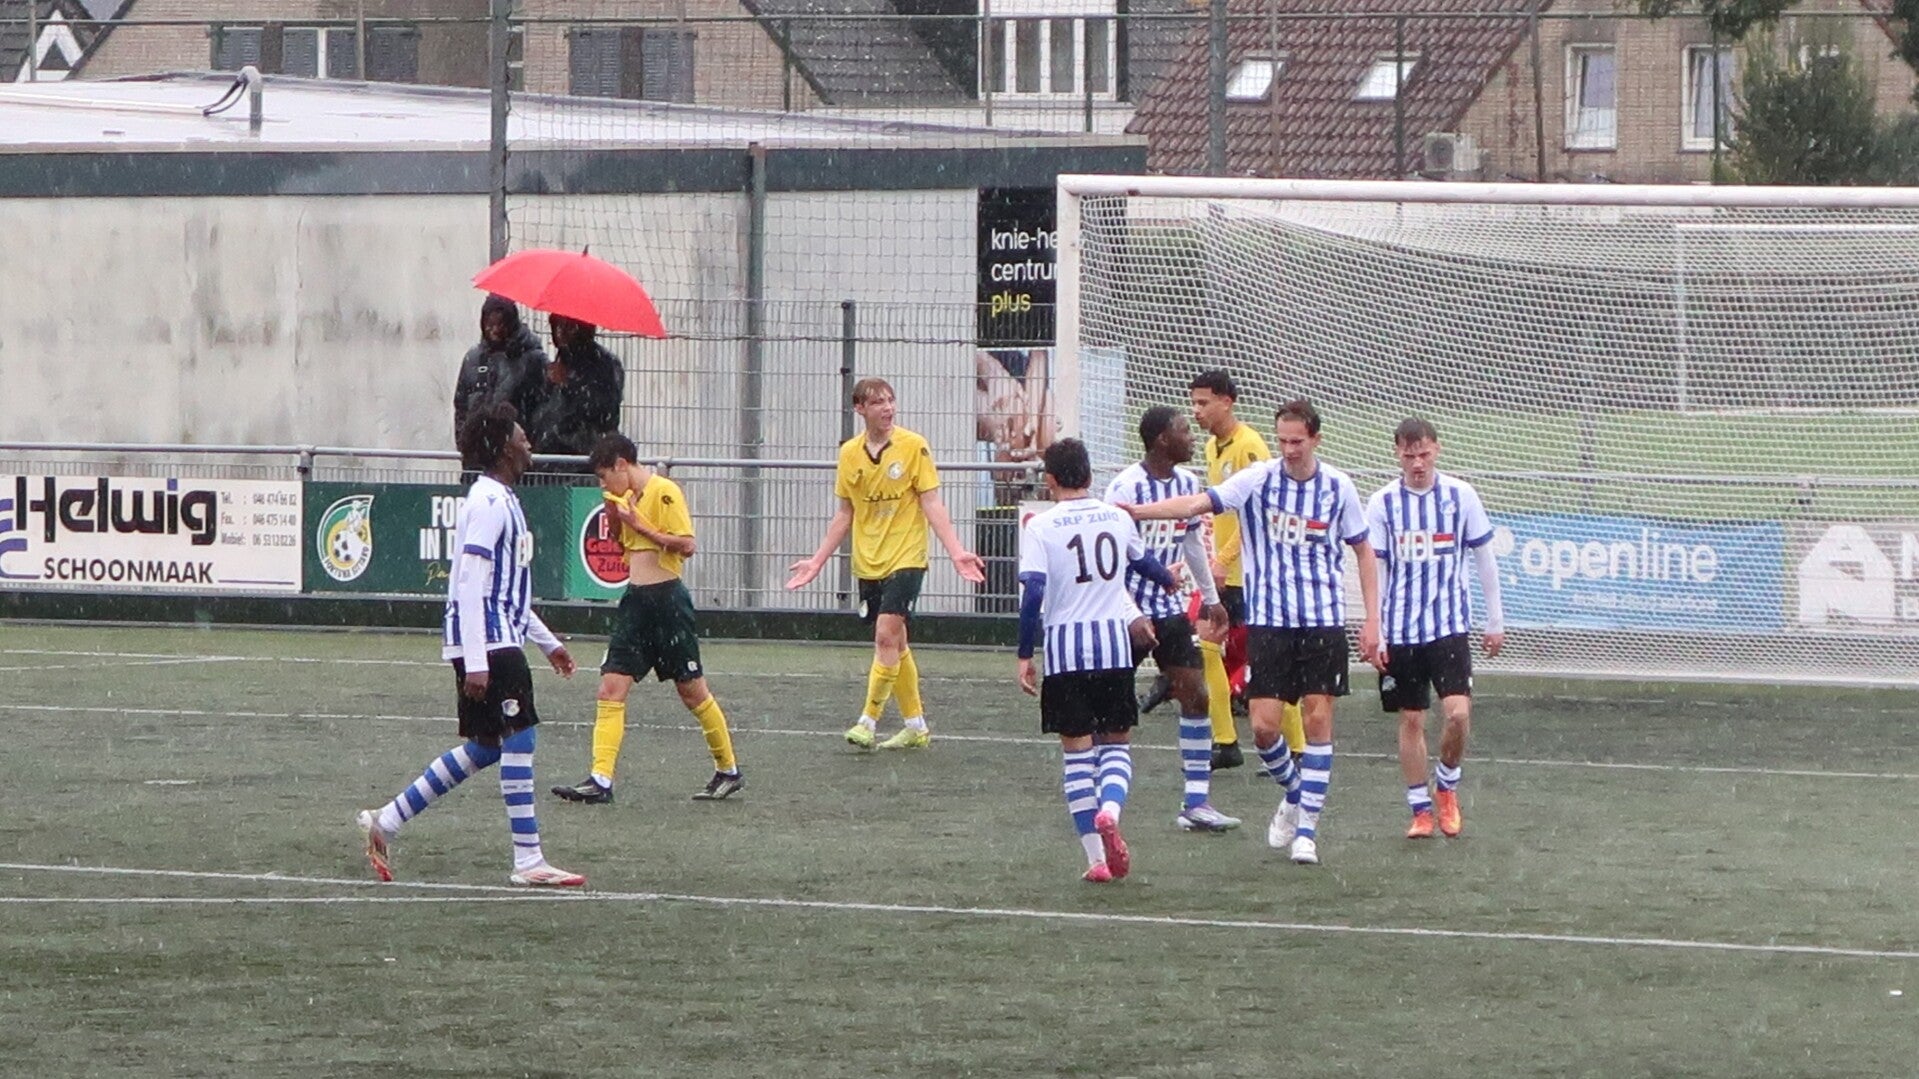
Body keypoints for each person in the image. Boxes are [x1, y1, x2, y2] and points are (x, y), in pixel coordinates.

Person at [1126, 399, 1380, 866]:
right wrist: (1136, 512)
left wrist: (1372, 619)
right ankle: (1296, 794)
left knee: (1318, 721)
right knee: (1263, 729)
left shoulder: (1338, 487)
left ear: (1316, 440)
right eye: (1282, 441)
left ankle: (1307, 833)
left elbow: (1363, 550)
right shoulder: (1259, 478)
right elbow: (1198, 504)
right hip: (1271, 623)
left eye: (1297, 442)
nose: (1289, 450)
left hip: (1322, 621)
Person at [357, 402, 585, 887]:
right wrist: (478, 659)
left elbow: (503, 592)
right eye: (520, 434)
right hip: (491, 642)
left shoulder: (500, 499)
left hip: (494, 636)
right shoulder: (488, 502)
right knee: (520, 738)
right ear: (503, 446)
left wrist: (546, 642)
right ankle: (528, 860)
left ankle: (387, 821)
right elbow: (470, 583)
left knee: (486, 747)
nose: (528, 441)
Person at [786, 377, 987, 750]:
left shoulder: (913, 446)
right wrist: (817, 561)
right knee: (896, 641)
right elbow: (845, 513)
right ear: (860, 408)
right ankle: (916, 726)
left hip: (907, 557)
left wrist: (956, 551)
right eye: (878, 402)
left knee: (884, 636)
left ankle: (868, 721)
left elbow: (931, 502)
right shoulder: (849, 453)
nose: (888, 408)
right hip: (869, 561)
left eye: (890, 400)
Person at [1019, 438, 1181, 882]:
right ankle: (1111, 809)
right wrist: (1168, 580)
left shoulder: (1041, 526)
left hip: (1065, 655)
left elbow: (1033, 593)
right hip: (1113, 650)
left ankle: (1095, 859)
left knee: (1076, 757)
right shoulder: (1116, 517)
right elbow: (1143, 563)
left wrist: (1024, 653)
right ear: (1090, 476)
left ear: (1050, 479)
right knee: (1116, 745)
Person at [552, 434, 744, 804]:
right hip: (636, 603)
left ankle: (728, 769)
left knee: (692, 691)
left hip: (667, 603)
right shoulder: (625, 499)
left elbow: (687, 544)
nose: (603, 484)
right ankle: (600, 779)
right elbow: (624, 547)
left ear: (621, 465)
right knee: (610, 687)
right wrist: (615, 516)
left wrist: (639, 524)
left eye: (604, 476)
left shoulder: (664, 491)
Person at [1366, 417, 1505, 839]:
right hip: (1401, 631)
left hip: (1449, 626)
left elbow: (1484, 559)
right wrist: (1377, 630)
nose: (1417, 463)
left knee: (1458, 714)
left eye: (1424, 454)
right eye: (1409, 455)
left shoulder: (1461, 496)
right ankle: (1419, 809)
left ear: (1437, 450)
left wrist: (1495, 620)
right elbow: (1378, 571)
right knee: (1411, 719)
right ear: (1397, 453)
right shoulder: (1382, 503)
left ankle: (1446, 785)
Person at [1104, 406, 1241, 833]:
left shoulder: (1187, 484)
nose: (1191, 435)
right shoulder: (1126, 487)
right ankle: (1101, 798)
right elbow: (1112, 560)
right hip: (1123, 610)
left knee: (1195, 695)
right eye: (1184, 430)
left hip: (1169, 610)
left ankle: (1196, 803)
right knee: (1111, 706)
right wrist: (1132, 613)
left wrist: (1211, 598)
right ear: (1162, 439)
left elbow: (1193, 545)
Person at [1189, 370, 1305, 771]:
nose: (1196, 410)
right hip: (1224, 574)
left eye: (1203, 403)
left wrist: (1224, 559)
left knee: (1269, 661)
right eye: (1194, 402)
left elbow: (1260, 510)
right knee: (1206, 646)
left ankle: (1298, 746)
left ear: (1227, 402)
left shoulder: (1249, 445)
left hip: (1249, 574)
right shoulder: (1212, 447)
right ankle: (1225, 742)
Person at [526, 314, 623, 474]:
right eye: (557, 326)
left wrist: (568, 385)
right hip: (547, 455)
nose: (561, 333)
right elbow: (543, 405)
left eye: (569, 327)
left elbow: (605, 410)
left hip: (581, 459)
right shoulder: (561, 358)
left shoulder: (605, 363)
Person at [453, 294, 548, 446]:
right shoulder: (473, 359)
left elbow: (541, 409)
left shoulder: (533, 360)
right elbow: (461, 405)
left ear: (512, 323)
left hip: (515, 449)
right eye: (490, 324)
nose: (495, 330)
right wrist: (464, 442)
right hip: (478, 450)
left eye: (501, 323)